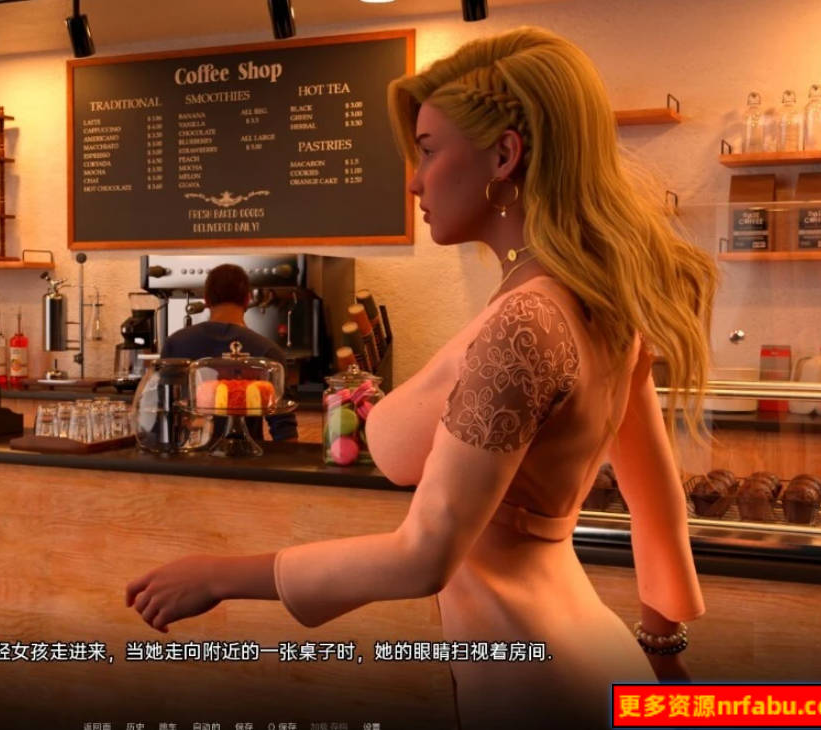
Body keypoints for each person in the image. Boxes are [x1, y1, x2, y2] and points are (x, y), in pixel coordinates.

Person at [125, 26, 717, 728]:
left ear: (504, 155)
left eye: (429, 151)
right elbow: (655, 501)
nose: (413, 181)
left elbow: (423, 556)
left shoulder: (525, 321)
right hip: (581, 655)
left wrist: (221, 575)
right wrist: (660, 647)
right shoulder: (591, 302)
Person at [161, 263, 298, 442]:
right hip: (246, 453)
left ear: (206, 300)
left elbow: (162, 409)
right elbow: (284, 427)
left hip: (187, 451)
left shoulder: (175, 343)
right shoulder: (267, 350)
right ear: (248, 299)